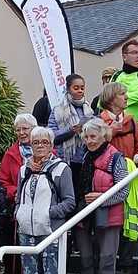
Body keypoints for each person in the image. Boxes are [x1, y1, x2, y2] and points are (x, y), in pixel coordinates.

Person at [14, 127, 76, 274]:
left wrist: (47, 213)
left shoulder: (61, 169)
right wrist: (19, 212)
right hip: (26, 233)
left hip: (50, 234)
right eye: (36, 142)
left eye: (44, 142)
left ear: (51, 145)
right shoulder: (24, 169)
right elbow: (18, 197)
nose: (40, 146)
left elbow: (70, 202)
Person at [72, 118, 129, 274]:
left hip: (108, 218)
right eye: (86, 137)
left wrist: (100, 199)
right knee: (86, 261)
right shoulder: (82, 156)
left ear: (103, 135)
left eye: (93, 136)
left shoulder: (115, 157)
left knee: (106, 261)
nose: (89, 140)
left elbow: (123, 190)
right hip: (84, 217)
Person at [98, 82, 138, 274]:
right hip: (107, 179)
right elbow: (94, 145)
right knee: (110, 220)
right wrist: (112, 131)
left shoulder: (132, 121)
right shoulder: (99, 121)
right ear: (110, 98)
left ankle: (126, 263)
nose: (126, 97)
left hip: (130, 177)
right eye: (122, 94)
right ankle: (106, 263)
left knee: (130, 217)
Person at [0, 114, 38, 274]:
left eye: (25, 129)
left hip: (40, 212)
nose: (22, 133)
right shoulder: (11, 154)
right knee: (16, 260)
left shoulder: (46, 151)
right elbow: (2, 181)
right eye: (18, 130)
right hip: (17, 211)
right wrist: (16, 191)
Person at [49, 74, 94, 209]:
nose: (80, 91)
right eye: (76, 88)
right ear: (68, 89)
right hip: (66, 160)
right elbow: (51, 136)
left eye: (82, 88)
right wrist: (71, 130)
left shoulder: (89, 110)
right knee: (67, 195)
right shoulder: (58, 110)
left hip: (85, 159)